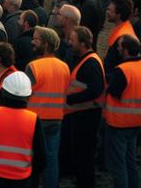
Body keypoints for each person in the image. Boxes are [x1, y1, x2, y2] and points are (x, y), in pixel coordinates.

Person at [0, 71, 46, 188]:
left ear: (3, 92)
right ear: (28, 96)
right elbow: (42, 158)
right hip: (22, 180)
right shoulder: (33, 119)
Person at [24, 27, 69, 188]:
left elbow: (25, 94)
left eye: (36, 39)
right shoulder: (64, 66)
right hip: (56, 119)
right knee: (51, 159)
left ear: (47, 44)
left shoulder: (34, 66)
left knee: (31, 159)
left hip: (35, 120)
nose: (32, 42)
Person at [63, 27, 103, 188]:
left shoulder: (91, 63)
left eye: (73, 40)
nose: (69, 43)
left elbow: (95, 90)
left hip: (86, 116)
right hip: (81, 114)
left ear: (83, 43)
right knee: (81, 155)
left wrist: (70, 98)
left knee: (84, 155)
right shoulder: (86, 60)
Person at [104, 35, 141, 188]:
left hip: (119, 123)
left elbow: (114, 92)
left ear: (125, 50)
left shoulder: (122, 70)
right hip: (136, 122)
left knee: (119, 165)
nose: (117, 49)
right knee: (131, 161)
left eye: (119, 46)